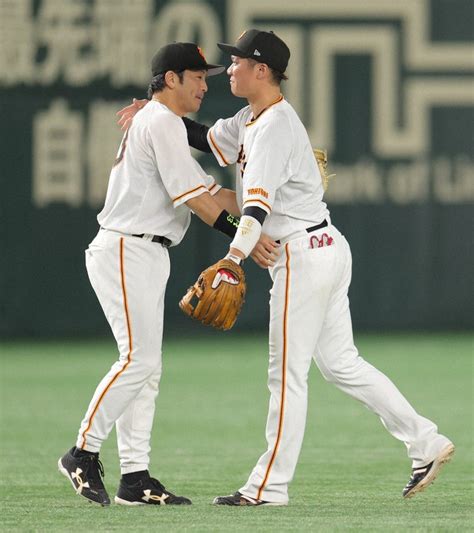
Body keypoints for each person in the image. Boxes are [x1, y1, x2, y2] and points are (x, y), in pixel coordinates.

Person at [118, 30, 454, 506]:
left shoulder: (275, 127)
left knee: (287, 375)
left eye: (236, 62)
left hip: (303, 255)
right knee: (342, 365)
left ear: (261, 70)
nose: (228, 69)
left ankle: (267, 487)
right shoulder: (249, 118)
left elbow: (254, 211)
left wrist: (234, 258)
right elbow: (205, 138)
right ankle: (426, 441)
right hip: (325, 245)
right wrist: (156, 114)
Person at [58, 41, 277, 507]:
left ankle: (134, 479)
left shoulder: (166, 124)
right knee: (138, 361)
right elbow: (199, 204)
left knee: (146, 368)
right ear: (170, 79)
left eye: (207, 76)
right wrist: (245, 239)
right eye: (196, 76)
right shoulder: (158, 120)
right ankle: (82, 451)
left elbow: (212, 193)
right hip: (125, 247)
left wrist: (280, 196)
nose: (204, 84)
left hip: (145, 252)